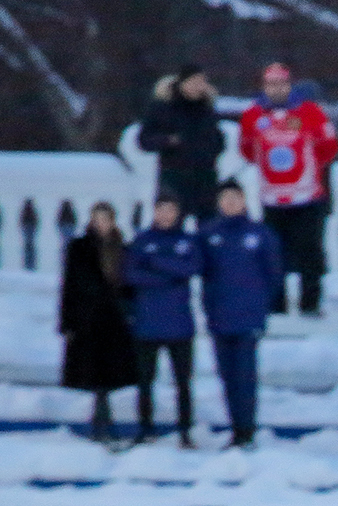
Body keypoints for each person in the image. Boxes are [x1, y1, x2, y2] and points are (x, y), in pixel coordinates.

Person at [238, 63, 338, 317]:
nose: (276, 89)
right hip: (272, 197)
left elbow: (329, 147)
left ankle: (310, 303)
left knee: (310, 252)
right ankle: (276, 304)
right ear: (264, 86)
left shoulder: (310, 111)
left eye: (281, 84)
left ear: (289, 85)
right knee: (273, 252)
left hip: (307, 196)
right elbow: (247, 150)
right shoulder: (252, 115)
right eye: (270, 84)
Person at [200, 180, 281, 449]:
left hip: (248, 318)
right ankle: (235, 427)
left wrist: (260, 307)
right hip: (220, 317)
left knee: (246, 375)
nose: (230, 203)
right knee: (227, 377)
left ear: (245, 201)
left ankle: (247, 430)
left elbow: (273, 275)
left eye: (235, 198)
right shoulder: (209, 234)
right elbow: (203, 274)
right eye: (225, 198)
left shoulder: (259, 234)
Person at [123, 191, 205, 446]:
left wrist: (156, 262)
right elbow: (130, 275)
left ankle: (185, 431)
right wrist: (169, 275)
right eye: (162, 209)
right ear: (154, 211)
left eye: (171, 210)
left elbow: (191, 268)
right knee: (145, 381)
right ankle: (145, 427)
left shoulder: (188, 241)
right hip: (147, 324)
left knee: (183, 382)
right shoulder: (142, 240)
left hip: (180, 324)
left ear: (178, 213)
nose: (166, 215)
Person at [58, 203, 139, 442]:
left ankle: (104, 420)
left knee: (110, 374)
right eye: (97, 218)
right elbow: (69, 286)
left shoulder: (121, 248)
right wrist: (67, 321)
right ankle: (99, 421)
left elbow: (128, 286)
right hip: (88, 320)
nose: (102, 223)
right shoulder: (79, 248)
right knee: (94, 374)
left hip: (114, 321)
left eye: (106, 219)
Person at [136, 65, 225, 228]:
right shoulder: (163, 107)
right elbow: (144, 140)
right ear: (182, 83)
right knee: (169, 225)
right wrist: (169, 141)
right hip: (174, 177)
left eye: (201, 82)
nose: (197, 87)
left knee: (209, 227)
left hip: (204, 178)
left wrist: (211, 148)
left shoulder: (207, 108)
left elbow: (218, 139)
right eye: (192, 82)